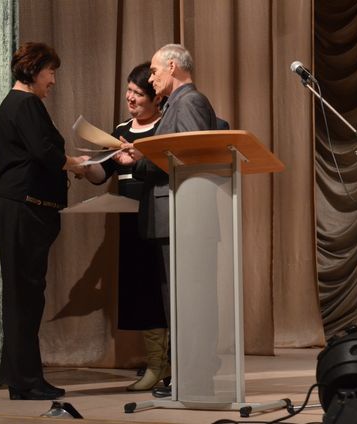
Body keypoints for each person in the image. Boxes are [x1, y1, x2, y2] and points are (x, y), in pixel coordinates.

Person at [0, 42, 88, 401]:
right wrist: (76, 163)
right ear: (33, 69)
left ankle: (27, 379)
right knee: (23, 297)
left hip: (17, 207)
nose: (53, 80)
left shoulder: (16, 104)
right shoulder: (26, 103)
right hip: (21, 207)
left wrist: (69, 163)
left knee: (25, 295)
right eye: (50, 72)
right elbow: (45, 152)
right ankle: (25, 381)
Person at [114, 44, 218, 398]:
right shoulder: (178, 103)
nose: (153, 78)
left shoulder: (189, 102)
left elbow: (187, 157)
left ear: (172, 67)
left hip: (181, 217)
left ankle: (193, 379)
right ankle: (187, 378)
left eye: (156, 71)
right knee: (178, 301)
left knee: (187, 302)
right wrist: (141, 156)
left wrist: (140, 161)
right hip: (173, 216)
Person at [83, 62, 169, 391]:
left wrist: (137, 159)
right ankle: (155, 363)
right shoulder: (121, 129)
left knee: (161, 290)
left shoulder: (166, 126)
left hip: (160, 220)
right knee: (141, 291)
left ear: (156, 98)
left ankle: (168, 363)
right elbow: (101, 174)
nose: (130, 98)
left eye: (138, 94)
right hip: (130, 223)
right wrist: (86, 166)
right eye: (129, 91)